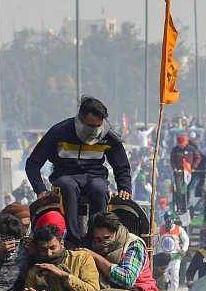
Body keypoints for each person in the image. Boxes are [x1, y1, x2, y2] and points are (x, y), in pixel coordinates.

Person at [24, 96, 132, 248]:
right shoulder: (59, 132)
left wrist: (125, 187)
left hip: (95, 177)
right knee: (67, 187)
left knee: (99, 190)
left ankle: (94, 239)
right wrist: (40, 190)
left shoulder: (108, 135)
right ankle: (73, 241)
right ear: (80, 120)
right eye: (90, 126)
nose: (94, 131)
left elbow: (121, 165)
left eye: (98, 126)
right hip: (65, 176)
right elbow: (33, 164)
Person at [19, 224, 100, 291]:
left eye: (52, 248)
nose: (49, 253)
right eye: (43, 250)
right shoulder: (35, 272)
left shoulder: (81, 258)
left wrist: (65, 276)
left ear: (62, 243)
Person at [157, 212, 189, 291]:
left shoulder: (179, 229)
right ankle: (165, 285)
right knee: (164, 275)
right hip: (163, 257)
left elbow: (186, 240)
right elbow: (154, 242)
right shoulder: (160, 228)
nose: (168, 220)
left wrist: (184, 249)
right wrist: (155, 254)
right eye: (167, 218)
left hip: (175, 257)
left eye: (170, 218)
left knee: (175, 276)